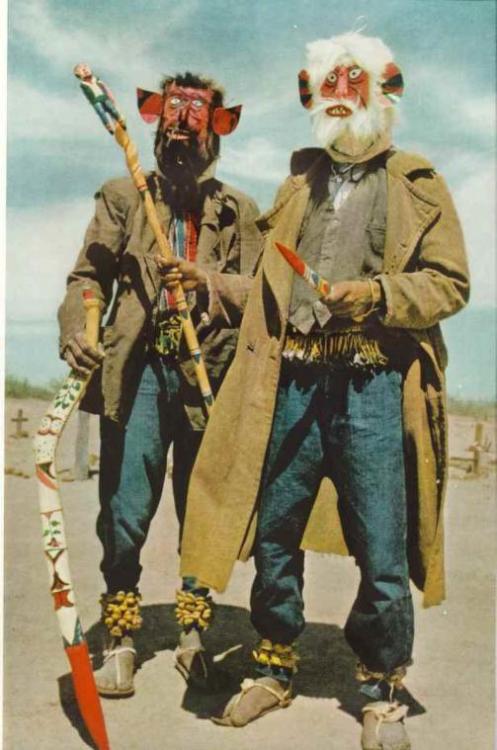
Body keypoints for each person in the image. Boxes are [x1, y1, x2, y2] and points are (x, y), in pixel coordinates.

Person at [179, 32, 469, 748]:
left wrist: (372, 293)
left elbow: (448, 284)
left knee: (381, 544)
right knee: (274, 532)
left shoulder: (415, 182)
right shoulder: (296, 188)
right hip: (292, 383)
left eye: (353, 90)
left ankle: (379, 689)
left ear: (380, 98)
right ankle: (273, 665)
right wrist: (213, 285)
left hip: (371, 385)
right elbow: (271, 294)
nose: (339, 105)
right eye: (327, 94)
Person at [58, 71, 260, 697]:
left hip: (210, 374)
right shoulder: (125, 196)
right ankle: (120, 633)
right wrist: (80, 325)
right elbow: (87, 277)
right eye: (171, 120)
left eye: (193, 123)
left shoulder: (240, 211)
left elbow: (258, 295)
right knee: (124, 506)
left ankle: (194, 634)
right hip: (141, 369)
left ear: (215, 134)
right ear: (154, 126)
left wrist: (209, 282)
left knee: (202, 506)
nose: (181, 134)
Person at [73, 63, 126, 134]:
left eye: (85, 67)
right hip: (95, 101)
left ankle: (120, 121)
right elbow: (87, 94)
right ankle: (108, 127)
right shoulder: (83, 84)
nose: (84, 69)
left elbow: (105, 87)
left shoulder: (96, 79)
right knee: (101, 113)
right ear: (78, 75)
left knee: (112, 109)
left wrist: (110, 96)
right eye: (81, 69)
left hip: (103, 97)